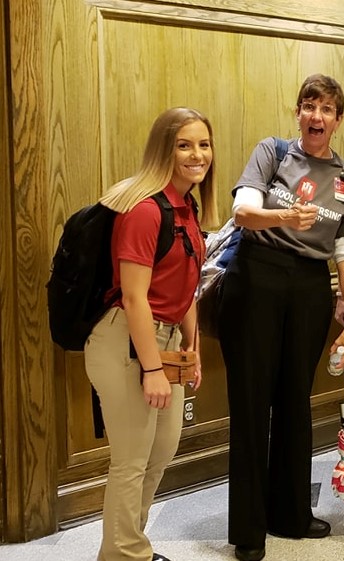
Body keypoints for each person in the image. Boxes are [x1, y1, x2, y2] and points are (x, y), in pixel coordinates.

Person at [218, 74, 344, 561]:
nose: (317, 117)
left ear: (338, 120)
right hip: (256, 277)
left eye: (327, 109)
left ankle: (291, 514)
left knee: (294, 401)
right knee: (250, 403)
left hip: (309, 286)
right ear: (298, 112)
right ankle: (248, 530)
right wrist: (285, 216)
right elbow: (244, 212)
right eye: (309, 106)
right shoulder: (273, 151)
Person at [85, 107, 215, 561]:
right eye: (184, 145)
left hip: (166, 342)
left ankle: (127, 546)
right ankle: (126, 555)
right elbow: (137, 299)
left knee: (159, 452)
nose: (197, 154)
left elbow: (187, 287)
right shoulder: (144, 209)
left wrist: (190, 350)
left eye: (203, 144)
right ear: (163, 149)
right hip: (127, 343)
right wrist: (153, 368)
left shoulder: (187, 205)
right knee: (131, 460)